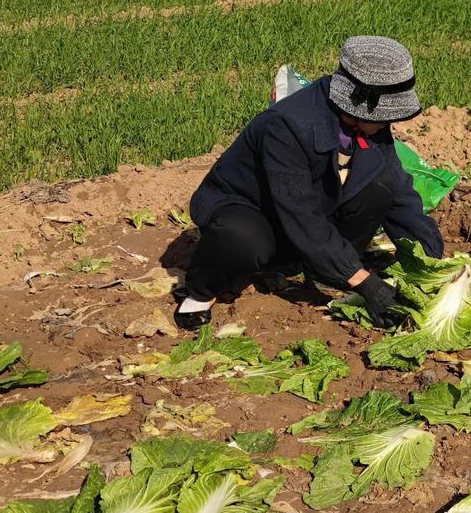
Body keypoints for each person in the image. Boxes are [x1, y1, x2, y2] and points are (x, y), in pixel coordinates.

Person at [174, 36, 443, 331]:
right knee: (240, 239)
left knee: (379, 185)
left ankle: (323, 266)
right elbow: (299, 211)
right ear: (359, 104)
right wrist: (366, 284)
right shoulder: (287, 125)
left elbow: (400, 195)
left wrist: (433, 263)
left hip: (310, 212)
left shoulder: (369, 124)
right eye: (386, 114)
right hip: (255, 209)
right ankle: (200, 292)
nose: (390, 122)